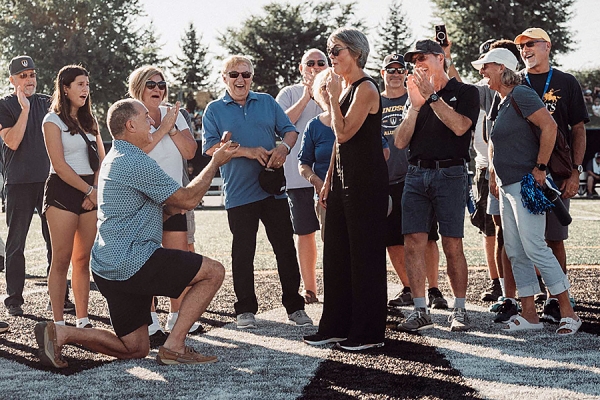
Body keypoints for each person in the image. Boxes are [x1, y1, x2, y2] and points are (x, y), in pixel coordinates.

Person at [34, 98, 235, 368]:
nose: (152, 121)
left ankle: (61, 333)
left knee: (135, 348)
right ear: (130, 124)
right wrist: (215, 163)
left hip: (108, 267)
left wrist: (168, 209)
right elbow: (187, 200)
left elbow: (153, 209)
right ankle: (174, 346)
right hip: (133, 261)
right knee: (213, 272)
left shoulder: (115, 157)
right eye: (145, 117)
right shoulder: (134, 161)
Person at [473, 48, 581, 335]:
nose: (482, 72)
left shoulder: (520, 94)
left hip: (525, 184)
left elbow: (550, 126)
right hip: (509, 187)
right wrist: (496, 176)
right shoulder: (502, 99)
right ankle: (529, 314)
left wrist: (541, 167)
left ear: (501, 68)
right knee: (517, 251)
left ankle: (569, 313)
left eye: (486, 67)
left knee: (534, 246)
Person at [202, 55, 311, 330]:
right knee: (243, 254)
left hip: (272, 191)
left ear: (252, 76)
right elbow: (211, 148)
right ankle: (245, 310)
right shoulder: (213, 110)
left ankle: (295, 307)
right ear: (224, 77)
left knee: (285, 249)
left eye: (246, 74)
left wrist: (283, 149)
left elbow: (289, 131)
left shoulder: (267, 102)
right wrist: (247, 152)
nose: (240, 80)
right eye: (234, 74)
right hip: (239, 194)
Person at [303, 27, 388, 351]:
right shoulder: (345, 88)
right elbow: (339, 148)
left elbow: (344, 133)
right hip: (341, 182)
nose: (332, 57)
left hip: (366, 184)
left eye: (336, 51)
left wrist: (331, 99)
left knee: (364, 258)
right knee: (336, 254)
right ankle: (335, 326)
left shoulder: (366, 88)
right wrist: (328, 182)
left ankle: (368, 333)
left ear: (355, 52)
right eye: (330, 50)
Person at [394, 39, 479, 332]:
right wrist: (416, 106)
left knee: (452, 244)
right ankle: (420, 310)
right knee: (413, 242)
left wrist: (432, 98)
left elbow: (459, 127)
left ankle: (459, 309)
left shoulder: (465, 91)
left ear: (440, 58)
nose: (417, 62)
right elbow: (400, 141)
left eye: (422, 57)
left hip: (451, 173)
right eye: (413, 59)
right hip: (416, 174)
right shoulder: (414, 96)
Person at [514, 27, 589, 321]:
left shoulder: (566, 82)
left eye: (531, 44)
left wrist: (575, 171)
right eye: (521, 46)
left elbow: (578, 129)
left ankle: (557, 298)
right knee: (523, 242)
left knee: (553, 239)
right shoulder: (514, 80)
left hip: (555, 173)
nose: (525, 49)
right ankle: (526, 301)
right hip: (520, 173)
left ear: (547, 46)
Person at [128, 66, 201, 335]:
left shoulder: (176, 114)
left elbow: (190, 151)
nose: (158, 89)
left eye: (161, 84)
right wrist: (163, 127)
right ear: (138, 87)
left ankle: (177, 317)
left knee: (178, 260)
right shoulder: (131, 114)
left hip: (173, 198)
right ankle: (149, 320)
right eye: (151, 84)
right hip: (141, 200)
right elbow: (136, 150)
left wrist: (170, 126)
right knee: (144, 260)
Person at [0, 56, 69, 317]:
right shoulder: (5, 105)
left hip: (50, 181)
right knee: (16, 243)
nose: (29, 80)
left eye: (32, 75)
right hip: (18, 183)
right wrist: (25, 110)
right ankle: (14, 299)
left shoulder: (48, 102)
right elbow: (13, 142)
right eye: (23, 76)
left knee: (55, 241)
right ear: (12, 80)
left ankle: (59, 296)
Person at [380, 53, 447, 310]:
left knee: (429, 237)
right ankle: (409, 286)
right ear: (383, 73)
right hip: (387, 180)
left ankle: (433, 289)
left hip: (417, 177)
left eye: (400, 69)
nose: (395, 74)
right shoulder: (375, 100)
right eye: (390, 69)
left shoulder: (416, 97)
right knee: (393, 239)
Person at [42, 65, 105, 329]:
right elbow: (59, 165)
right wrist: (88, 190)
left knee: (83, 259)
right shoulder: (51, 121)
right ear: (65, 88)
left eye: (87, 84)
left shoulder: (91, 121)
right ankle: (58, 322)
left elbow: (102, 159)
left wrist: (95, 191)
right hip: (63, 191)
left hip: (90, 191)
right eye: (80, 84)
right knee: (62, 258)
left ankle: (82, 319)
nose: (85, 89)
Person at [276, 48, 328, 304]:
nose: (316, 67)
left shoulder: (338, 88)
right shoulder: (289, 93)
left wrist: (323, 93)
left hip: (333, 178)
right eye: (310, 63)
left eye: (321, 63)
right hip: (298, 178)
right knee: (305, 233)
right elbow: (280, 123)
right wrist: (308, 95)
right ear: (301, 67)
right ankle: (310, 288)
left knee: (334, 234)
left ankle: (336, 283)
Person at [299, 69, 336, 241]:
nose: (329, 91)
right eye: (323, 87)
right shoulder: (314, 126)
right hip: (326, 200)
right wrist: (317, 182)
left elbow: (384, 152)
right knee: (332, 251)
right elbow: (303, 164)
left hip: (356, 197)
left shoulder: (358, 119)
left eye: (333, 86)